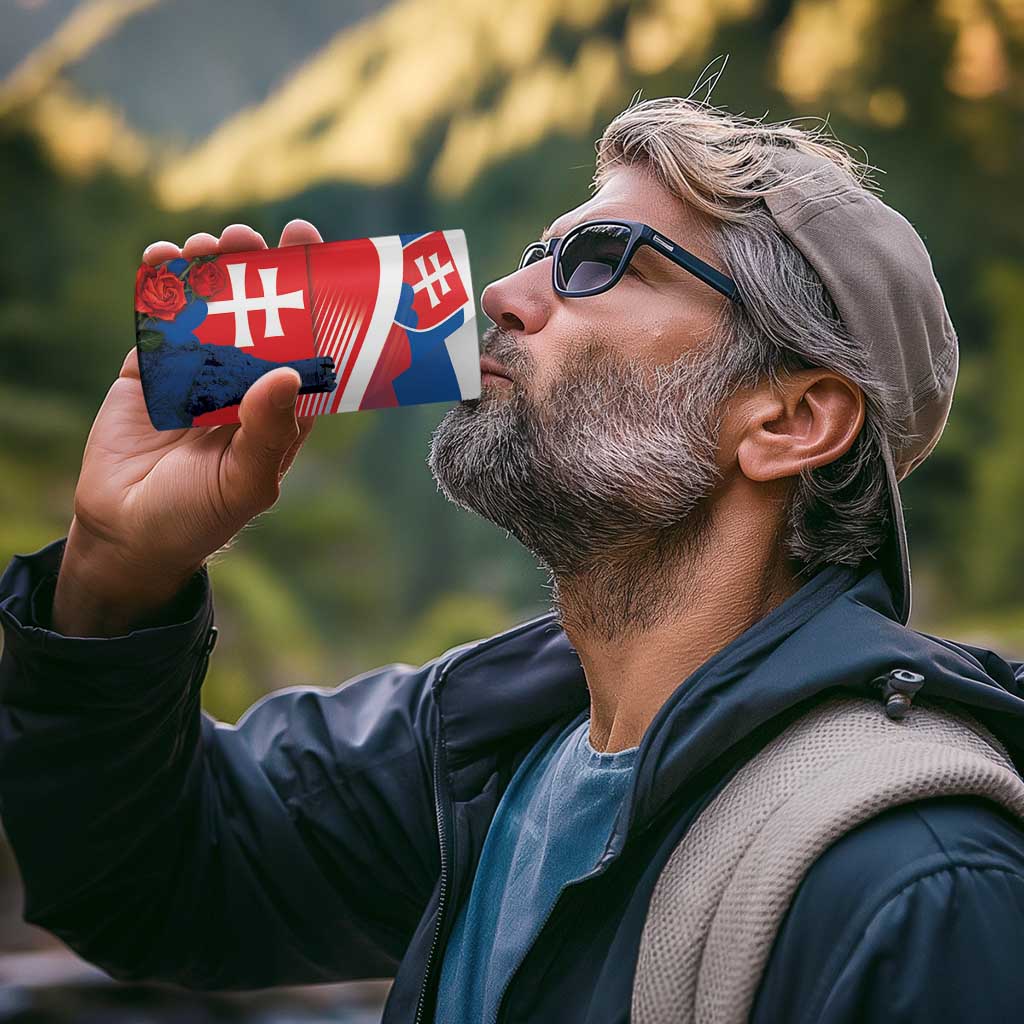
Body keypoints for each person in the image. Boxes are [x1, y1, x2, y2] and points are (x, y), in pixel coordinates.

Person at [2, 95, 1024, 1024]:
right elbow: (149, 880)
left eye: (600, 261)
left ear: (791, 419)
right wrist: (116, 570)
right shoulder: (479, 749)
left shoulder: (918, 884)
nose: (502, 291)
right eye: (541, 252)